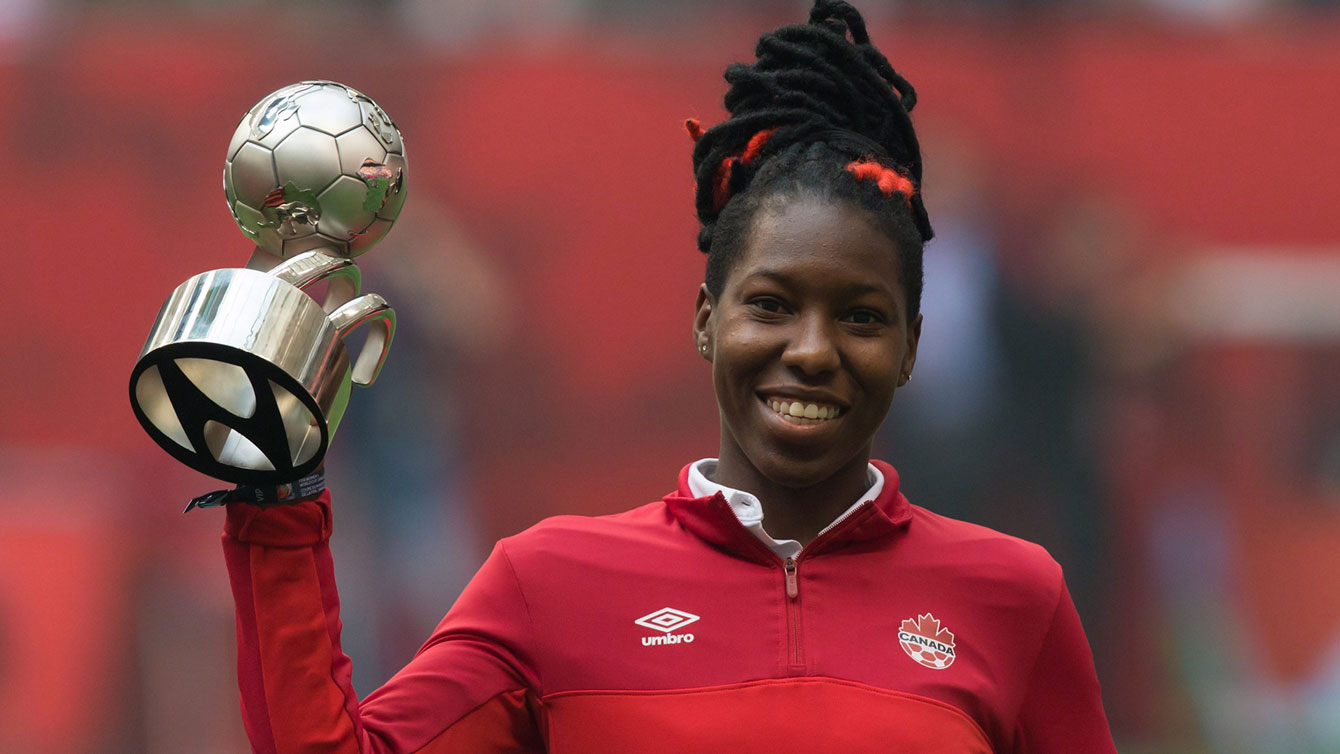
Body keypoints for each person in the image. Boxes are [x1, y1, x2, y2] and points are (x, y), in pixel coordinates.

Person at [215, 2, 1116, 751]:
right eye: (769, 305)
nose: (811, 348)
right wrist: (276, 496)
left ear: (912, 346)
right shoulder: (550, 583)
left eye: (861, 316)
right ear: (704, 320)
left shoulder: (1014, 595)